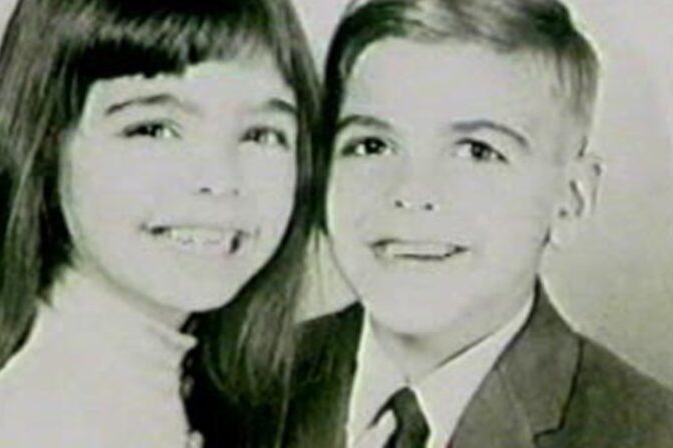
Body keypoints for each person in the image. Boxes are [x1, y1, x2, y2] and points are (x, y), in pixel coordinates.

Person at [0, 0, 319, 446]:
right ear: (45, 145)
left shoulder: (151, 385)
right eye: (154, 129)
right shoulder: (39, 423)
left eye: (260, 135)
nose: (220, 180)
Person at [286, 0, 673, 446]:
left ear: (570, 200)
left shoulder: (647, 433)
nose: (412, 192)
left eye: (477, 151)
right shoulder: (239, 389)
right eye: (373, 145)